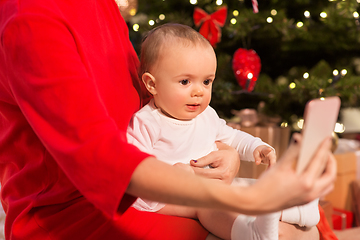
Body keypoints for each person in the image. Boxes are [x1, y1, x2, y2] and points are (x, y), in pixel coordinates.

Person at [0, 0, 336, 239]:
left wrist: (226, 152)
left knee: (304, 230)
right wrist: (250, 199)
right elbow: (101, 158)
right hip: (78, 211)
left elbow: (159, 108)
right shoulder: (29, 18)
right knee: (283, 234)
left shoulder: (99, 5)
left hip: (147, 184)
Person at [127, 23, 320, 240]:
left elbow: (232, 136)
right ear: (152, 85)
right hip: (170, 198)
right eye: (185, 81)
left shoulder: (206, 115)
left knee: (249, 187)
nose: (199, 91)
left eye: (207, 81)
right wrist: (175, 174)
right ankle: (254, 234)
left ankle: (299, 208)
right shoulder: (145, 123)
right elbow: (134, 171)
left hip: (211, 187)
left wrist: (257, 146)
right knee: (210, 206)